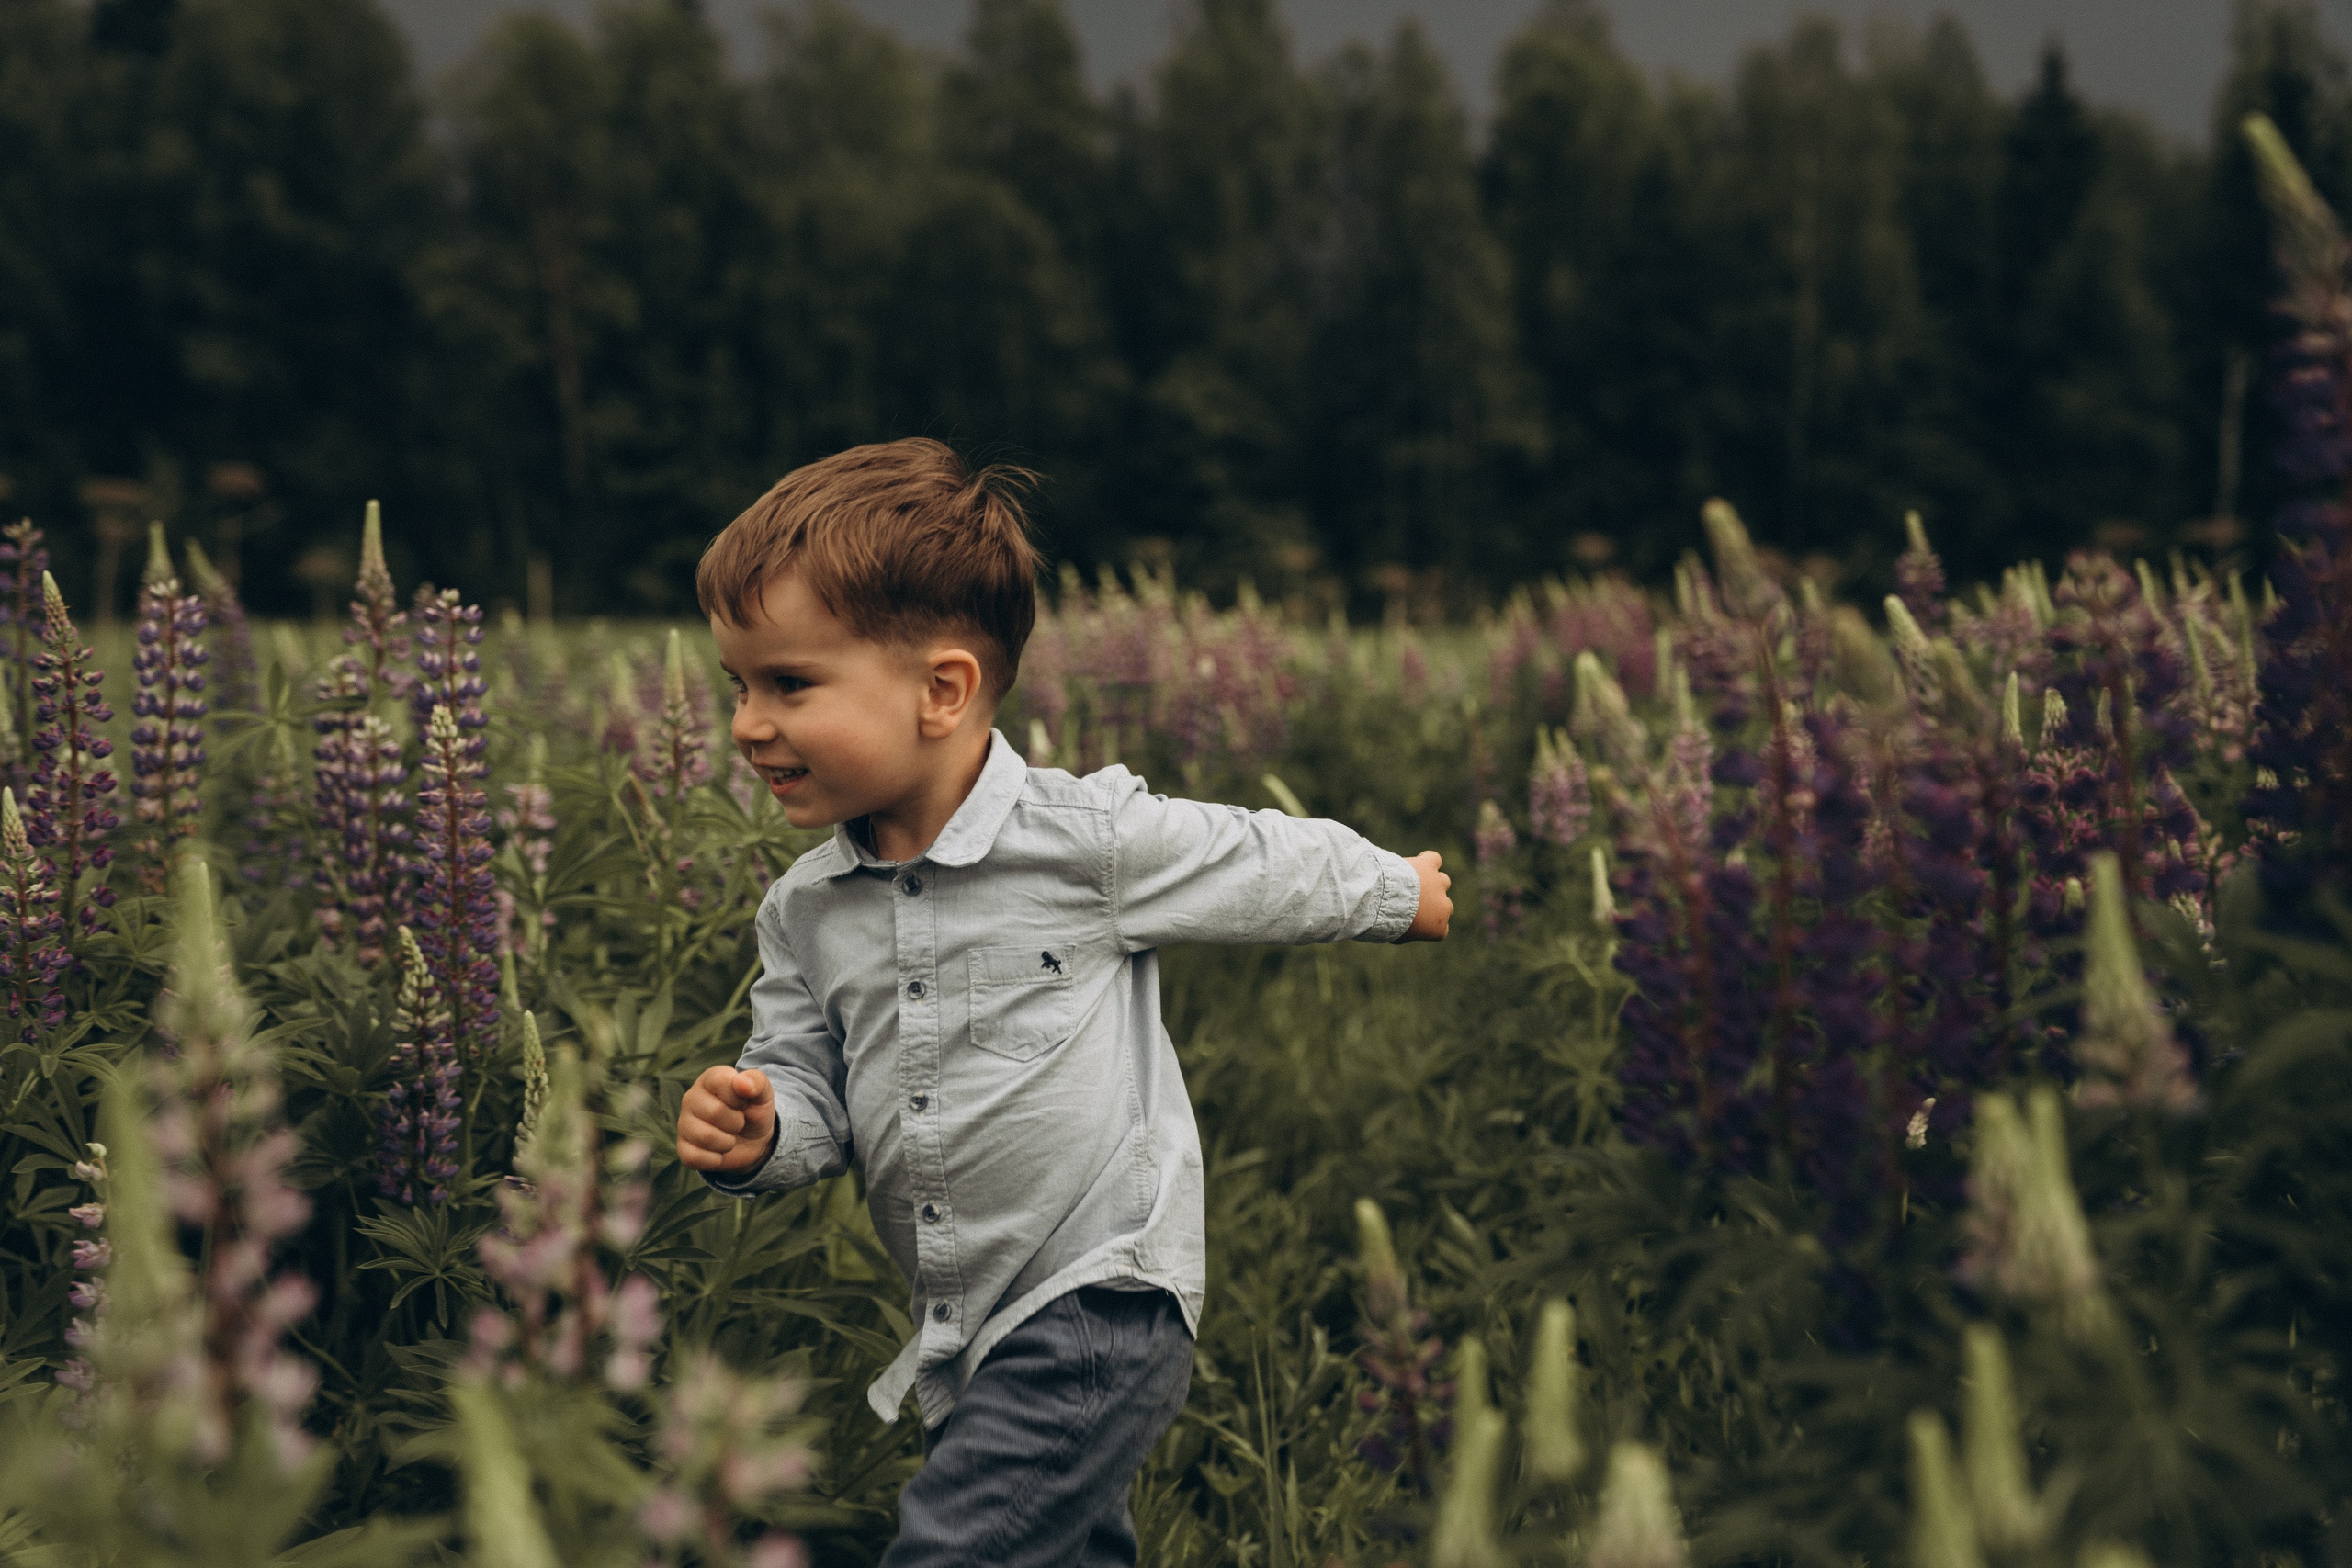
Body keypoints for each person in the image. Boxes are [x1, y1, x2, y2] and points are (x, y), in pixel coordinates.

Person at [672, 437, 1453, 1566]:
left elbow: (1251, 858)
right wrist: (761, 1130)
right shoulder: (804, 910)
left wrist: (1396, 891)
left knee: (954, 1550)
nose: (747, 722)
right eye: (738, 685)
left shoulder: (1081, 840)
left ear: (942, 691)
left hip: (1100, 1299)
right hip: (964, 1326)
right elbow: (807, 1083)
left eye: (789, 684)